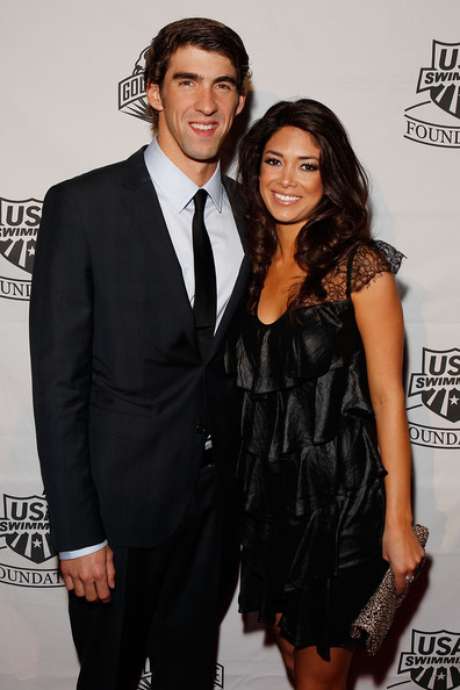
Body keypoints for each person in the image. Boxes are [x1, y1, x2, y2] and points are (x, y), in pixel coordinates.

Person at [30, 17, 250, 690]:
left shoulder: (254, 213)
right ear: (153, 91)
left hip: (215, 516)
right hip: (116, 516)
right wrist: (77, 533)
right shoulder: (83, 206)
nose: (206, 104)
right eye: (187, 82)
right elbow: (58, 384)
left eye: (223, 86)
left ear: (241, 100)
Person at [226, 99, 424, 690]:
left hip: (342, 505)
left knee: (318, 680)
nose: (286, 180)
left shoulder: (359, 267)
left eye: (307, 165)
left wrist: (399, 523)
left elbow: (388, 399)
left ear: (329, 176)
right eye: (274, 161)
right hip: (272, 503)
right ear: (255, 169)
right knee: (296, 662)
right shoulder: (250, 263)